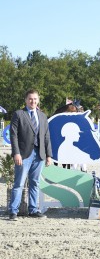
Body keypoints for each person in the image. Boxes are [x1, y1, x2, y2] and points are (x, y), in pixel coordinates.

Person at [9, 89, 52, 221]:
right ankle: (13, 211)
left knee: (35, 183)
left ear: (38, 100)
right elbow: (13, 135)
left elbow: (46, 137)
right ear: (26, 100)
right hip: (23, 155)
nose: (33, 101)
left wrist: (49, 155)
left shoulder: (43, 116)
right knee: (19, 184)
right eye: (30, 99)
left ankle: (33, 210)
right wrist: (16, 153)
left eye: (35, 99)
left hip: (39, 155)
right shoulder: (18, 114)